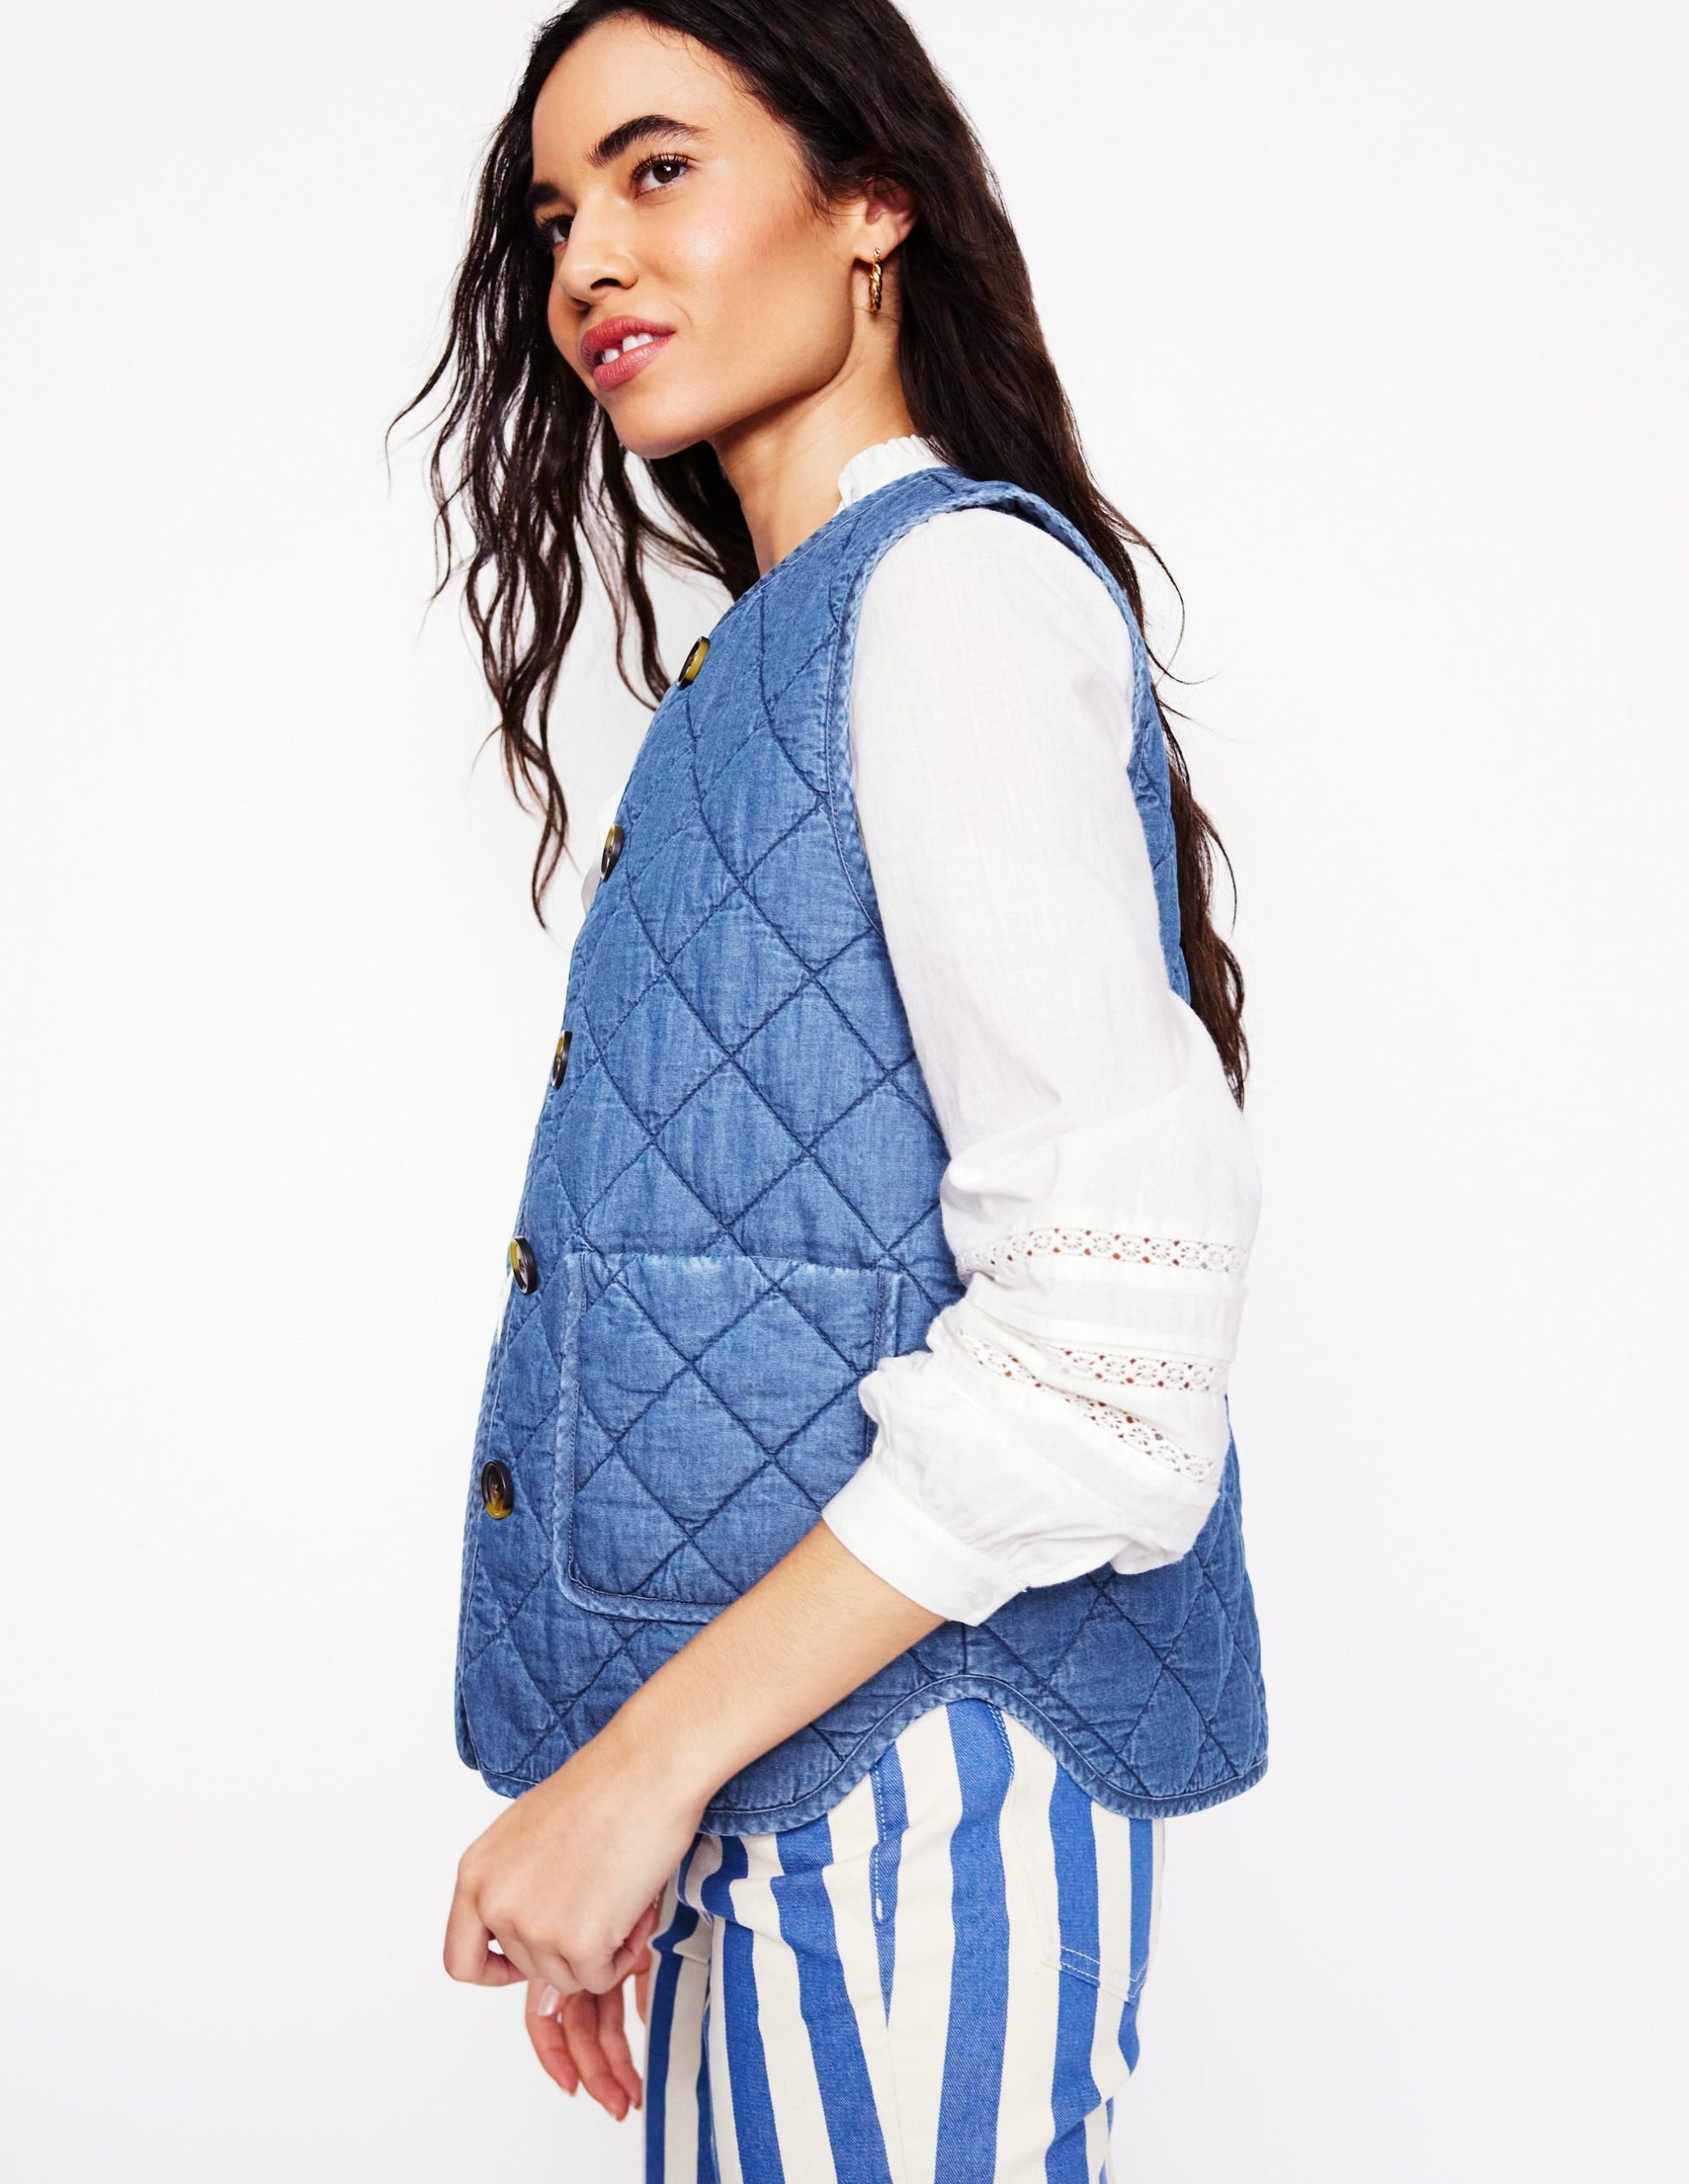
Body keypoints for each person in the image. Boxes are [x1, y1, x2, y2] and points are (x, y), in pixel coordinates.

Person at [392, 3, 1269, 2175]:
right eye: (556, 215)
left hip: (915, 1796)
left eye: (658, 168)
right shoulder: (787, 646)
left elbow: (1112, 1344)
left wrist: (638, 1772)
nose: (591, 257)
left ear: (871, 201)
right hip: (798, 1792)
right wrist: (657, 1790)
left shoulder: (950, 598)